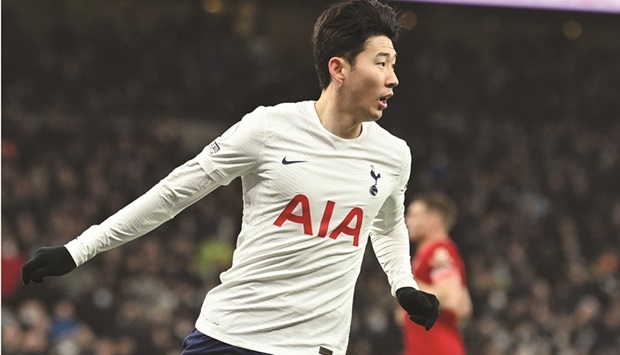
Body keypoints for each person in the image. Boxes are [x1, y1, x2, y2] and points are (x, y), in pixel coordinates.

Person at [21, 1, 440, 354]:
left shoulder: (392, 154)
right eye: (381, 63)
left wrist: (402, 285)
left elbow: (386, 225)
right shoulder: (268, 129)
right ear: (339, 68)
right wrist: (78, 250)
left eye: (394, 64)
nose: (393, 78)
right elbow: (174, 192)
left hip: (317, 346)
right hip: (231, 337)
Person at [401, 192, 472, 355]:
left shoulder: (439, 252)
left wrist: (407, 286)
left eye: (414, 215)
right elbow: (465, 307)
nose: (407, 221)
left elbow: (452, 299)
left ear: (434, 221)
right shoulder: (437, 253)